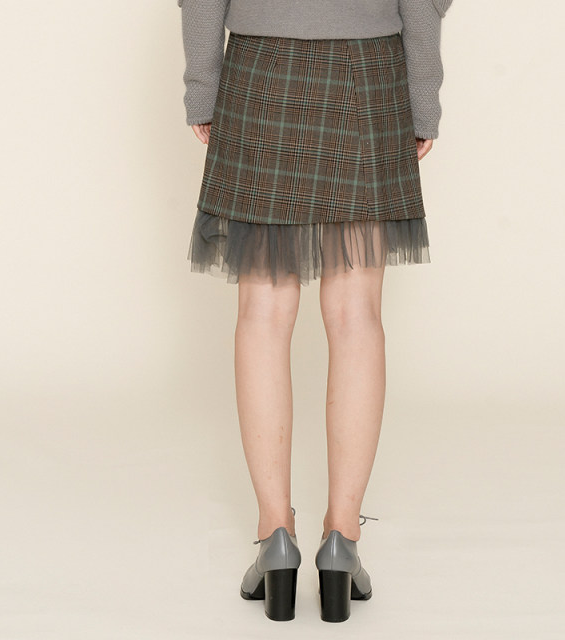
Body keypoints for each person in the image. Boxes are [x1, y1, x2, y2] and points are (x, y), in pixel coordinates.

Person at [178, 0, 454, 623]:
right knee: (357, 315)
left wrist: (203, 86)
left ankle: (275, 538)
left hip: (259, 72)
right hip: (369, 74)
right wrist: (422, 98)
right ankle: (341, 541)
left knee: (262, 313)